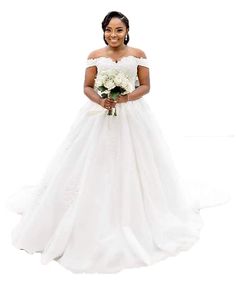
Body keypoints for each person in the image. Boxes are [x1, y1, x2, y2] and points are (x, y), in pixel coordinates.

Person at [6, 11, 229, 274]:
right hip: (99, 115)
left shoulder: (138, 53)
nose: (113, 35)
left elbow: (145, 85)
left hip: (132, 115)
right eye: (109, 30)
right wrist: (101, 100)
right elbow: (87, 86)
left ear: (127, 31)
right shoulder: (94, 55)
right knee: (90, 163)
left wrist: (125, 97)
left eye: (119, 30)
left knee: (137, 163)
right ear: (103, 31)